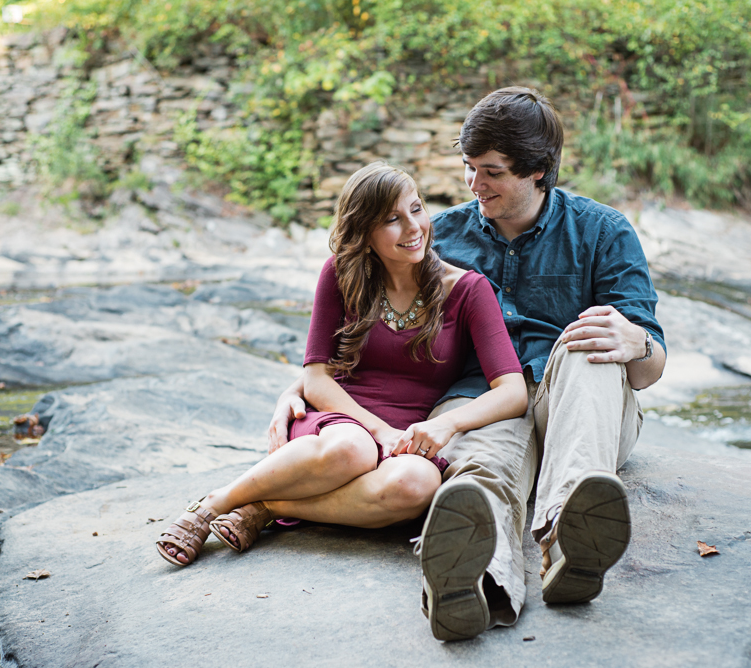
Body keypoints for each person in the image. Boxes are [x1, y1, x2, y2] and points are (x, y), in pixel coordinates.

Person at [268, 86, 667, 640]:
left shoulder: (602, 232)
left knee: (589, 344)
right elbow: (364, 323)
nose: (474, 185)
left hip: (578, 405)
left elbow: (650, 369)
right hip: (484, 400)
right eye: (468, 168)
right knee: (479, 475)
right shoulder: (440, 236)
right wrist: (304, 384)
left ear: (538, 173)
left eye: (492, 172)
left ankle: (567, 539)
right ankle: (472, 584)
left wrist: (637, 342)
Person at [156, 163, 528, 602]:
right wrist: (375, 430)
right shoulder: (340, 274)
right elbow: (315, 376)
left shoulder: (467, 290)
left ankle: (265, 507)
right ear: (364, 231)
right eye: (392, 219)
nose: (414, 228)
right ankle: (214, 503)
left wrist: (445, 426)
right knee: (351, 450)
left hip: (406, 435)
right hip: (339, 420)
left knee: (416, 485)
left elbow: (513, 391)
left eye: (416, 209)